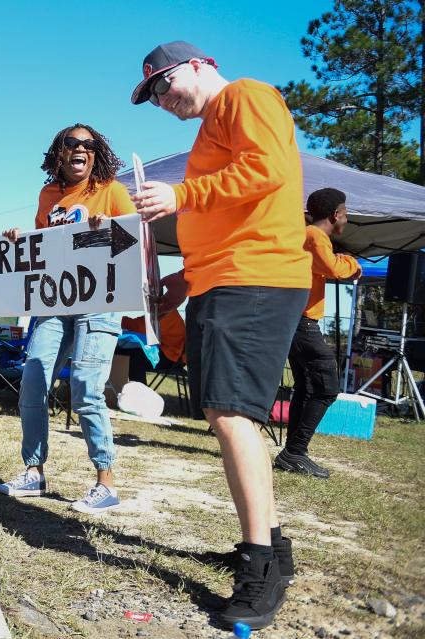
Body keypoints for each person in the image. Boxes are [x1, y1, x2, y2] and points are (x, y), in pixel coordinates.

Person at [129, 42, 311, 629]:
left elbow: (268, 171)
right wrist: (185, 279)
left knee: (232, 414)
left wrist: (181, 195)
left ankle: (260, 566)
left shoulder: (245, 96)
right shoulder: (214, 125)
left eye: (162, 84)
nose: (160, 100)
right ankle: (271, 549)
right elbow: (233, 218)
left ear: (201, 65)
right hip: (226, 279)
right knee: (222, 411)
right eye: (151, 95)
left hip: (254, 279)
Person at [0, 123, 134, 516]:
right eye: (72, 144)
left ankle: (105, 483)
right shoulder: (48, 195)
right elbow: (44, 253)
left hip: (100, 302)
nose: (80, 150)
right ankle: (34, 472)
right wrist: (19, 241)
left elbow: (135, 242)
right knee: (32, 381)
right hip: (54, 305)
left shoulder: (112, 191)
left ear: (97, 153)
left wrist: (105, 232)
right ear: (59, 151)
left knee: (87, 388)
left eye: (88, 145)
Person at [276, 188, 361, 479]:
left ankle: (293, 453)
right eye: (346, 214)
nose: (346, 220)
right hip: (302, 322)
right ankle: (295, 452)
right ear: (336, 214)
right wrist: (353, 263)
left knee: (309, 387)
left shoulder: (307, 236)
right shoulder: (314, 236)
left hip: (296, 320)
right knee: (327, 386)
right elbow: (334, 268)